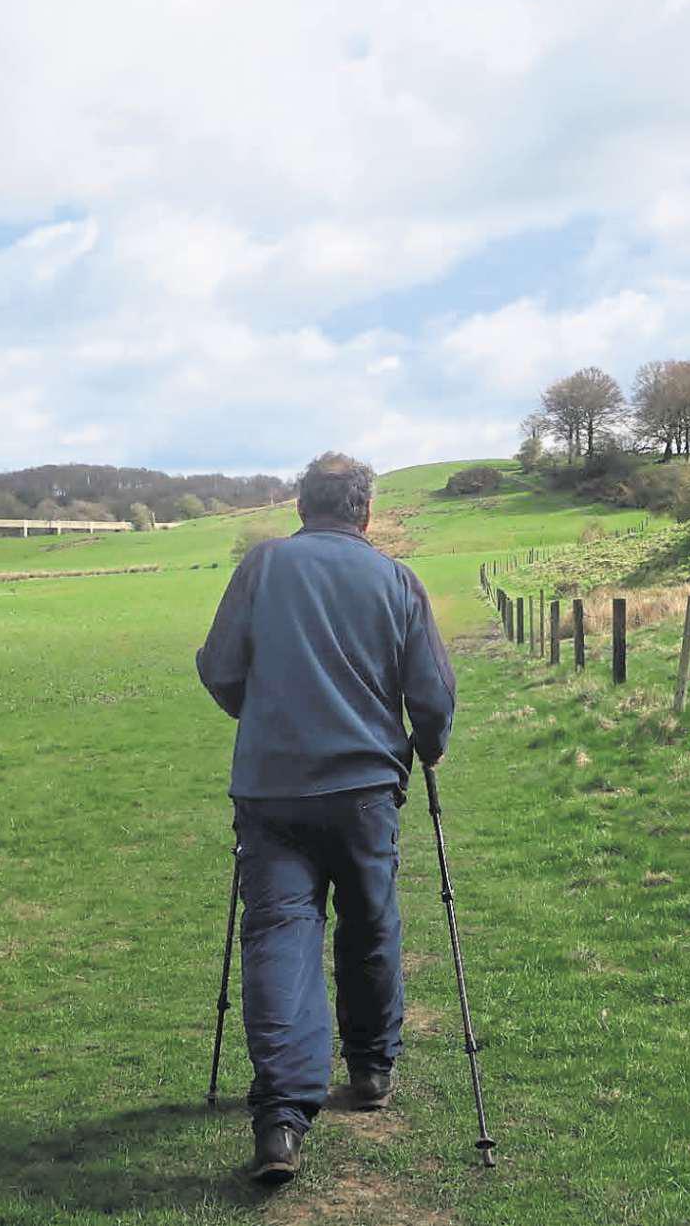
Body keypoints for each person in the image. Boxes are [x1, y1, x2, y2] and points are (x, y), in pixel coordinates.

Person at [195, 452, 456, 1185]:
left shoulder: (262, 566)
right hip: (365, 789)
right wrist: (427, 747)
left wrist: (265, 716)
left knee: (278, 940)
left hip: (271, 791)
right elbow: (431, 692)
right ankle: (371, 1070)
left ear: (301, 507)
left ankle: (281, 1118)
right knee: (369, 925)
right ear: (364, 512)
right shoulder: (396, 579)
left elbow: (218, 668)